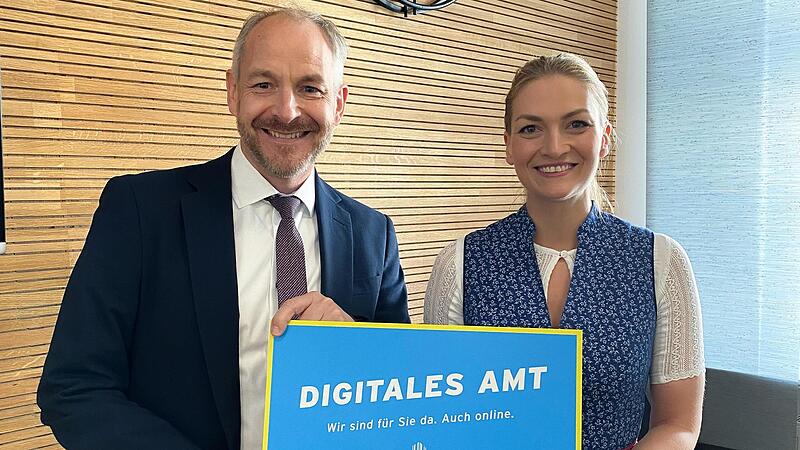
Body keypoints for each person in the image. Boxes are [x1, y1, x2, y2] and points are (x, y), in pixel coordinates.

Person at [37, 7, 409, 450]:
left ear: (339, 103)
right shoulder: (139, 211)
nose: (287, 111)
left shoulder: (374, 234)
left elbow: (396, 391)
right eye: (263, 84)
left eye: (310, 87)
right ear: (233, 91)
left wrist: (356, 346)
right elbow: (74, 386)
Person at [424, 53, 704, 449]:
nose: (554, 147)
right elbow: (441, 417)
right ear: (508, 145)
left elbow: (677, 425)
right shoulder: (459, 263)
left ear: (604, 138)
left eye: (576, 124)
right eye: (530, 128)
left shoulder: (661, 260)